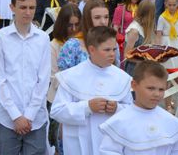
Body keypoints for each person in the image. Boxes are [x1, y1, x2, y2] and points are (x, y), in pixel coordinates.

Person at [51, 26, 133, 155]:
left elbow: (131, 110)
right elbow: (57, 111)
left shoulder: (122, 78)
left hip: (110, 144)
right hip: (79, 144)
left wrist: (117, 108)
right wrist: (87, 107)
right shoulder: (72, 76)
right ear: (92, 50)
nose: (112, 54)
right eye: (107, 50)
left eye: (114, 49)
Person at [0, 0, 51, 154]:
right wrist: (16, 115)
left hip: (35, 119)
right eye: (23, 7)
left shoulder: (43, 39)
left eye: (31, 7)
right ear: (12, 8)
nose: (28, 12)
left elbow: (43, 79)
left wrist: (29, 114)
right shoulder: (0, 38)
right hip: (7, 118)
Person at [99, 61, 178, 154]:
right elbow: (109, 151)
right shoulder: (120, 121)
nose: (156, 94)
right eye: (151, 88)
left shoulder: (170, 121)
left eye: (161, 89)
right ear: (134, 85)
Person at [47, 4, 82, 151]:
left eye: (76, 25)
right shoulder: (54, 45)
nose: (74, 29)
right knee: (58, 141)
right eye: (70, 25)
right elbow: (53, 75)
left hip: (79, 99)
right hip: (58, 98)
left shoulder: (84, 42)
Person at [58, 0, 110, 71]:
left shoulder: (111, 43)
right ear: (87, 19)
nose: (103, 22)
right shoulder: (72, 45)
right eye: (97, 17)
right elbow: (64, 77)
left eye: (106, 17)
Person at [123, 1, 156, 76]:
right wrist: (143, 61)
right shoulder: (134, 31)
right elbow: (126, 55)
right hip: (134, 70)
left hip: (144, 69)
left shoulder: (146, 27)